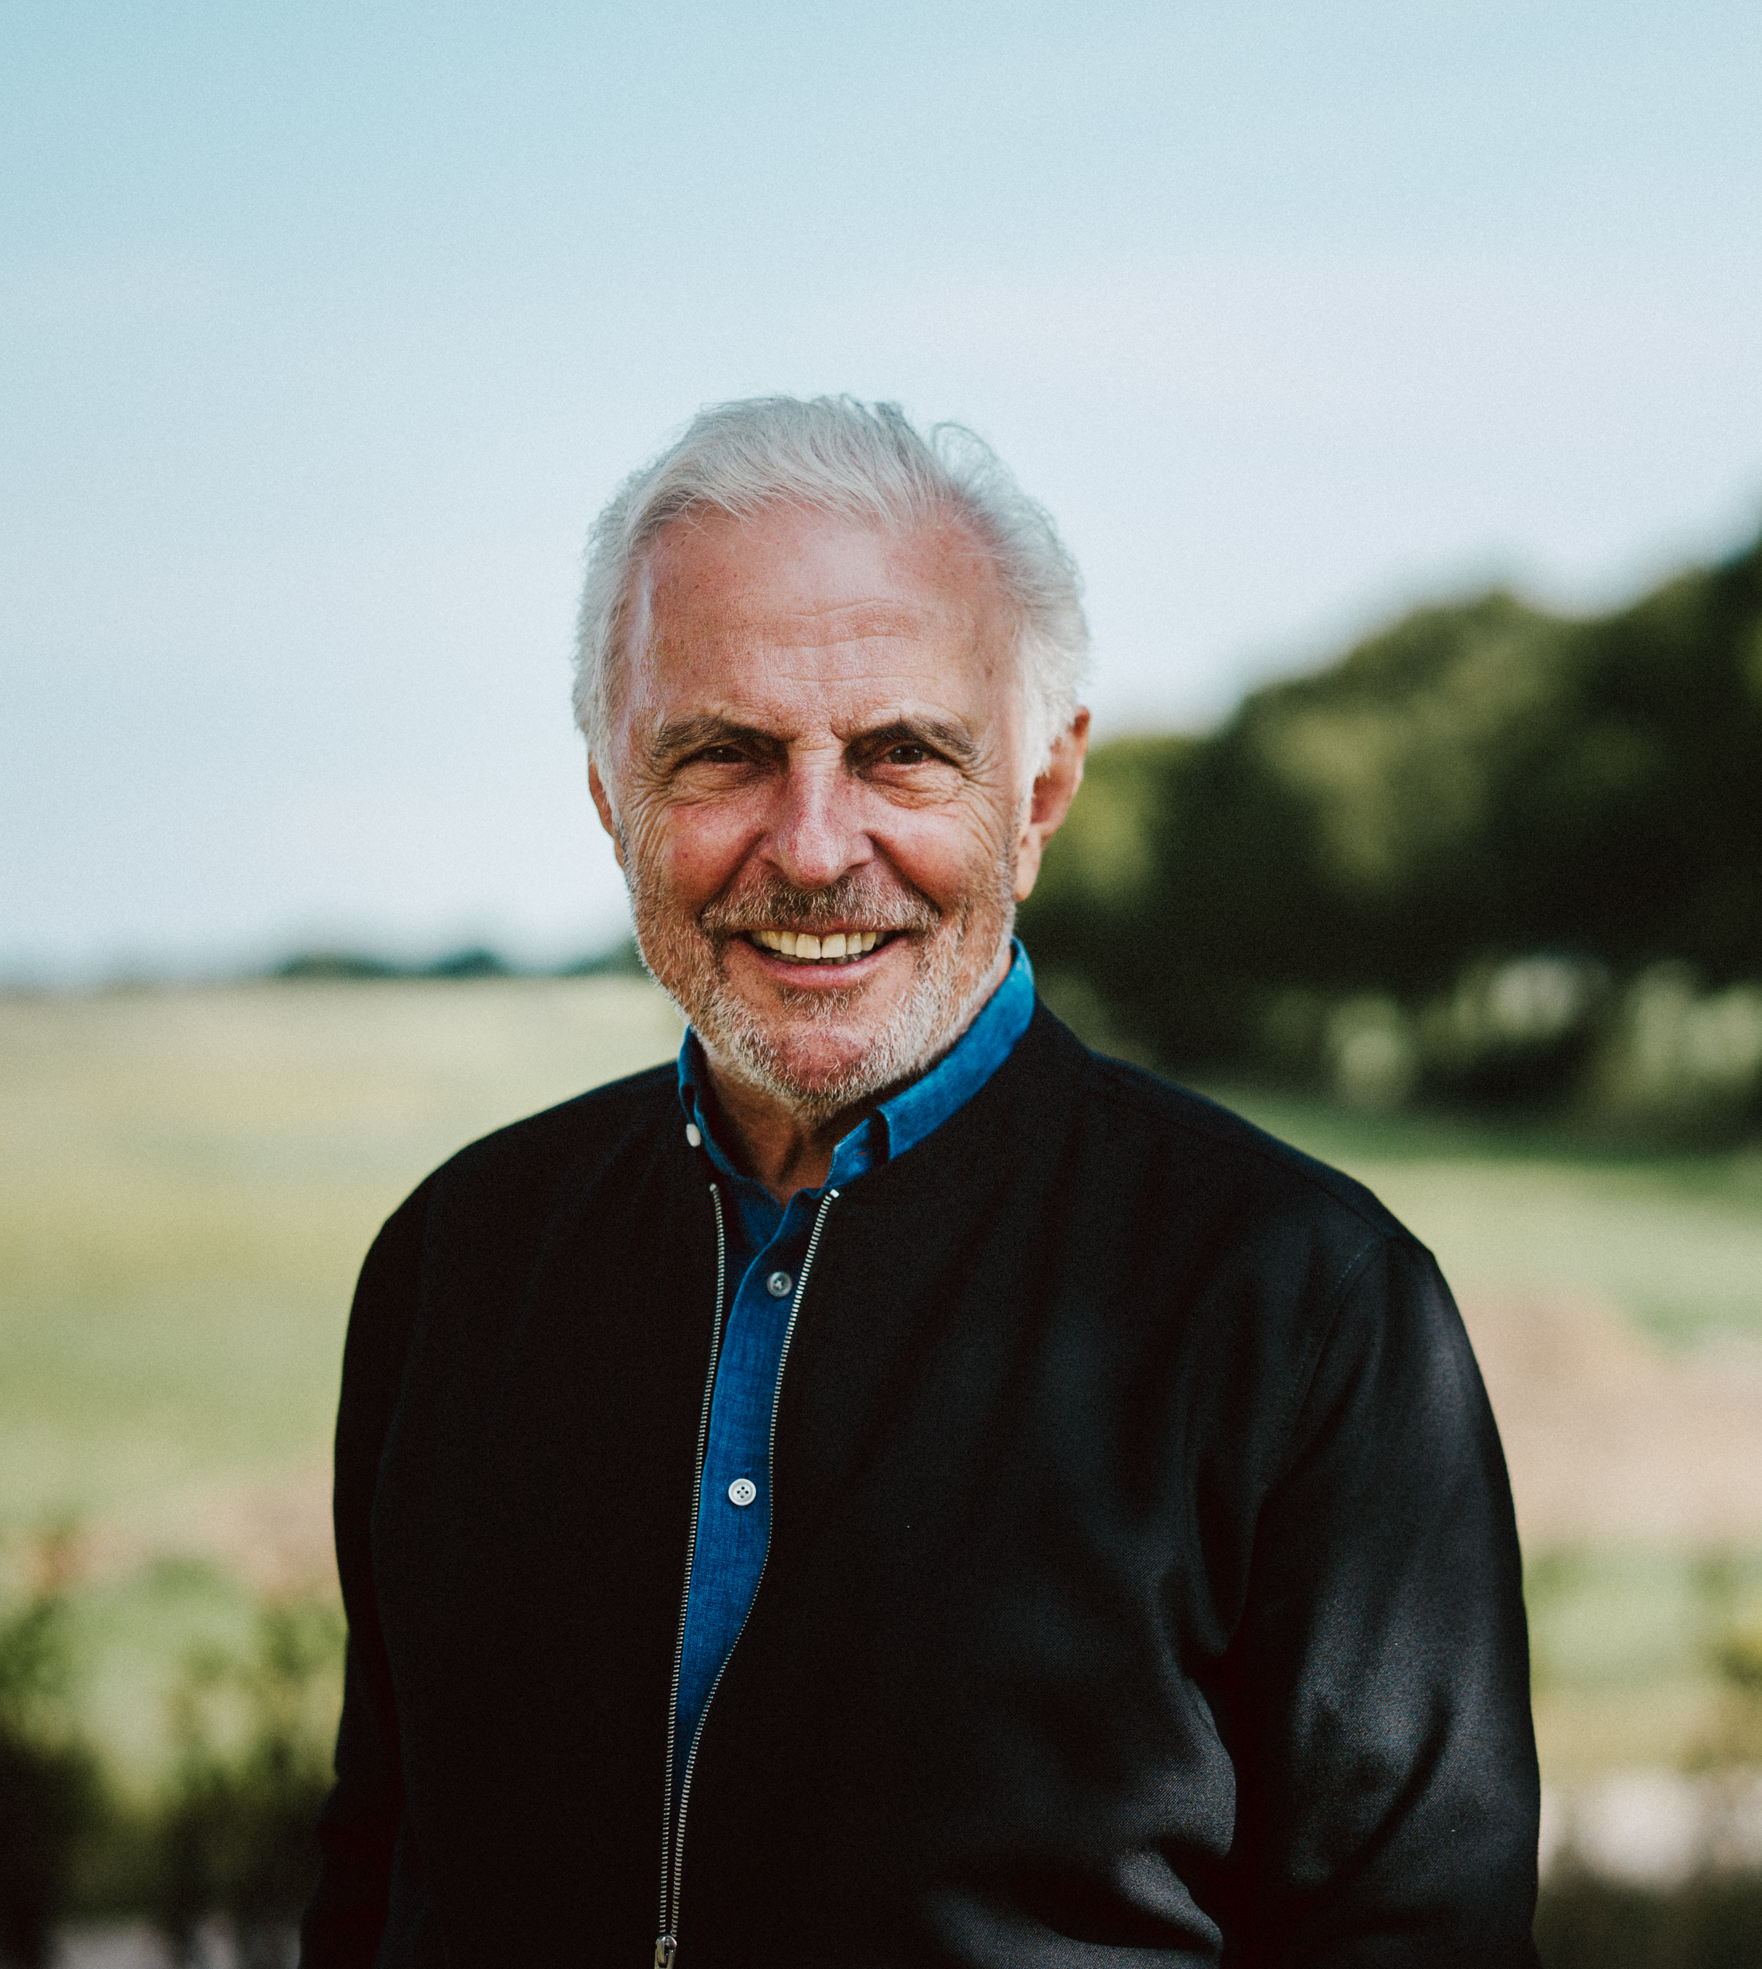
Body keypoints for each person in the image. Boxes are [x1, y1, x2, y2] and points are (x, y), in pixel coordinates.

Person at [301, 397, 1540, 1967]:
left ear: (1039, 792)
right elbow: (378, 1875)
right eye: (726, 754)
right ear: (612, 793)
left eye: (901, 754)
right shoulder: (455, 1261)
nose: (817, 848)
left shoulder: (1304, 1309)